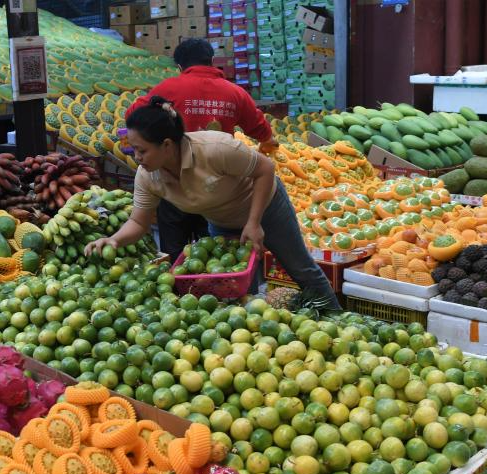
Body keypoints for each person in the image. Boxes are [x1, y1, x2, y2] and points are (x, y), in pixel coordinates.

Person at [87, 96, 339, 310]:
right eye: (134, 150)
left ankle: (337, 320)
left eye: (142, 150)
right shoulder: (148, 175)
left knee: (301, 269)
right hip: (222, 222)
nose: (137, 157)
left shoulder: (214, 148)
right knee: (232, 288)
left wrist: (254, 222)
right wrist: (114, 240)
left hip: (266, 208)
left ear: (166, 145)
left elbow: (265, 169)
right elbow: (139, 222)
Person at [127, 38, 279, 262]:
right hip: (218, 186)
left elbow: (135, 117)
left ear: (180, 66)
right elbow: (261, 131)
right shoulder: (234, 92)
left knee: (176, 255)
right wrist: (269, 143)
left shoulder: (169, 88)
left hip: (175, 183)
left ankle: (179, 288)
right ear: (211, 62)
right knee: (213, 257)